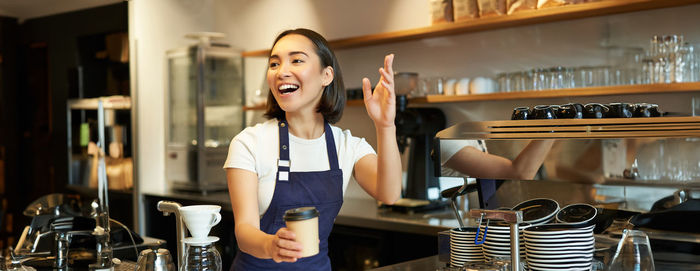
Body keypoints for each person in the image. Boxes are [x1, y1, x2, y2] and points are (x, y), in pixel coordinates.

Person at [223, 28, 402, 270]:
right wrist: (271, 246)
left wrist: (385, 124)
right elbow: (244, 231)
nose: (282, 71)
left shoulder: (347, 145)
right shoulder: (249, 142)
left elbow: (389, 193)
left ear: (326, 75)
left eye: (296, 60)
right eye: (274, 64)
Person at [441, 139, 554, 180]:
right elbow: (518, 174)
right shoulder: (446, 141)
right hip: (460, 215)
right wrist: (555, 126)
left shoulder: (467, 131)